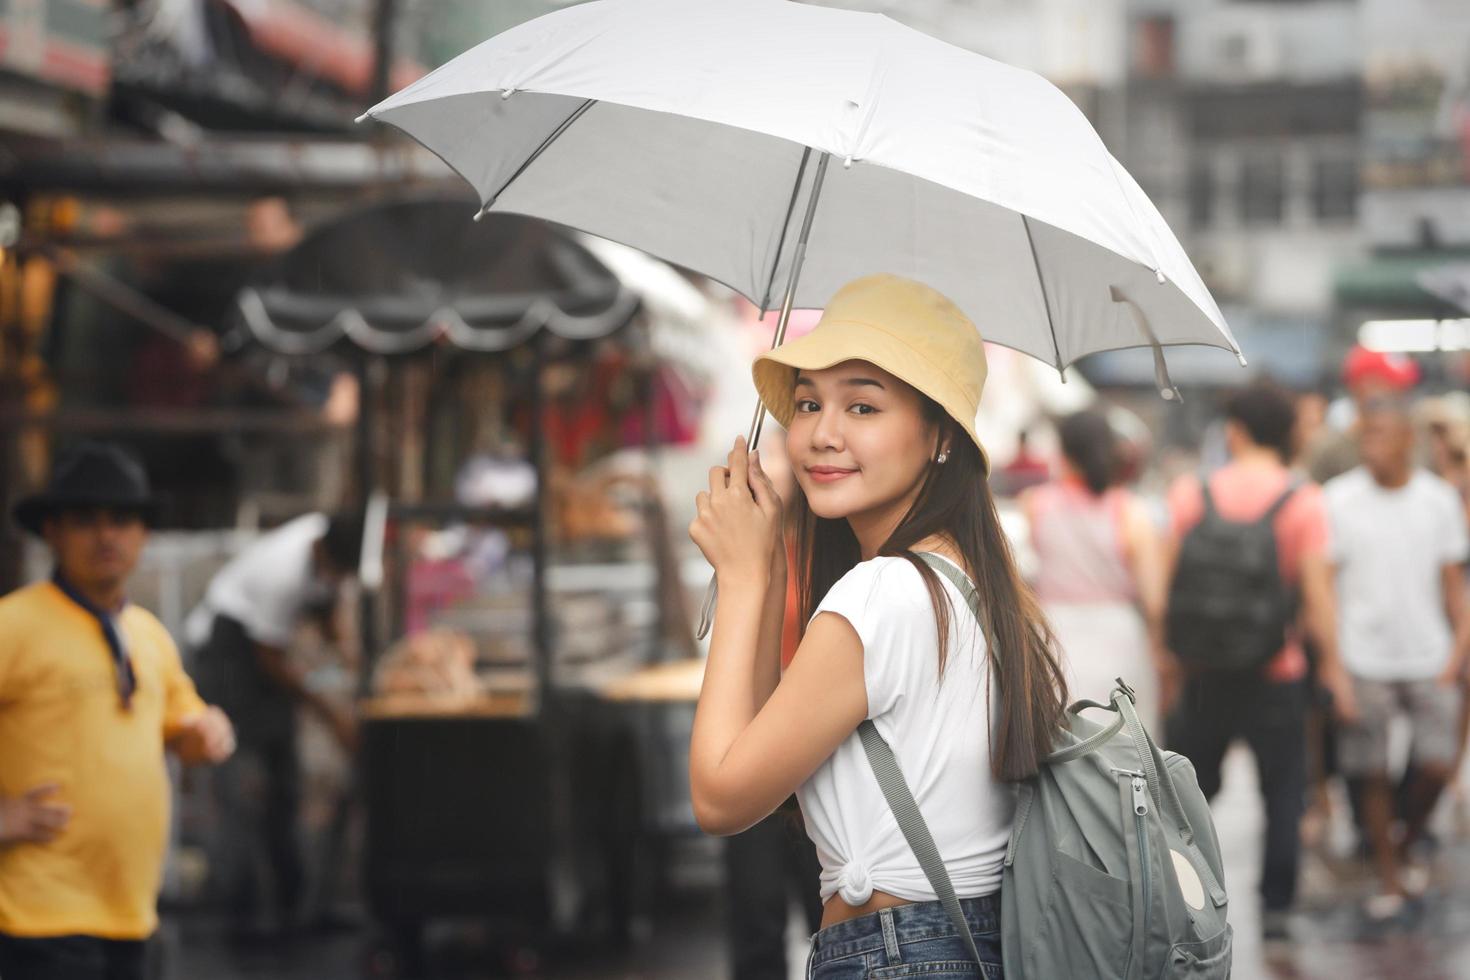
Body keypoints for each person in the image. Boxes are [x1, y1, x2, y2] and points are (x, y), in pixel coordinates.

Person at [687, 274, 1068, 978]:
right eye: (807, 403)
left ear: (941, 437)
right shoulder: (962, 581)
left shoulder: (883, 594)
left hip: (896, 956)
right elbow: (775, 749)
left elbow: (721, 796)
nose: (822, 434)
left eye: (862, 405)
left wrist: (740, 581)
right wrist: (765, 565)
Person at [0, 442, 235, 980]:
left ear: (143, 534)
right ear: (53, 532)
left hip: (130, 913)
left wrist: (208, 732)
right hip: (39, 916)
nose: (107, 536)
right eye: (86, 520)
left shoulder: (148, 634)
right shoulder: (14, 625)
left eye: (123, 520)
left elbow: (185, 728)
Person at [1162, 381, 1356, 940]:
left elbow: (1169, 586)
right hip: (1277, 670)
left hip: (1202, 670)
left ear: (1236, 430)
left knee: (1187, 794)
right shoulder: (1303, 499)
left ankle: (1180, 897)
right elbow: (1318, 600)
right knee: (1283, 792)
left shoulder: (1190, 492)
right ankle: (1275, 909)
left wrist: (1168, 663)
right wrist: (1336, 674)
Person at [186, 511, 362, 939]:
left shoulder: (329, 550)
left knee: (287, 784)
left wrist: (349, 659)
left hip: (262, 658)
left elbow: (328, 603)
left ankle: (296, 907)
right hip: (228, 654)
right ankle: (240, 914)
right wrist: (329, 711)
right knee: (241, 786)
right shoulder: (282, 574)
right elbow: (269, 656)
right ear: (323, 552)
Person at [1324, 405, 1470, 919]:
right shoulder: (1339, 499)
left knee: (1435, 761)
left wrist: (1458, 647)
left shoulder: (1437, 501)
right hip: (1362, 655)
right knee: (1372, 772)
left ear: (1407, 439)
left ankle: (1408, 841)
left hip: (1428, 655)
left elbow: (1453, 584)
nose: (1370, 448)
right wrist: (1334, 666)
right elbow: (1324, 584)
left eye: (1381, 436)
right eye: (1365, 437)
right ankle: (1389, 873)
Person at [1024, 410, 1171, 729]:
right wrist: (1160, 649)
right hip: (1119, 636)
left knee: (1062, 738)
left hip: (1054, 634)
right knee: (1125, 741)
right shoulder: (1132, 512)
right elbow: (1156, 600)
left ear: (1062, 451)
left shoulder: (1035, 504)